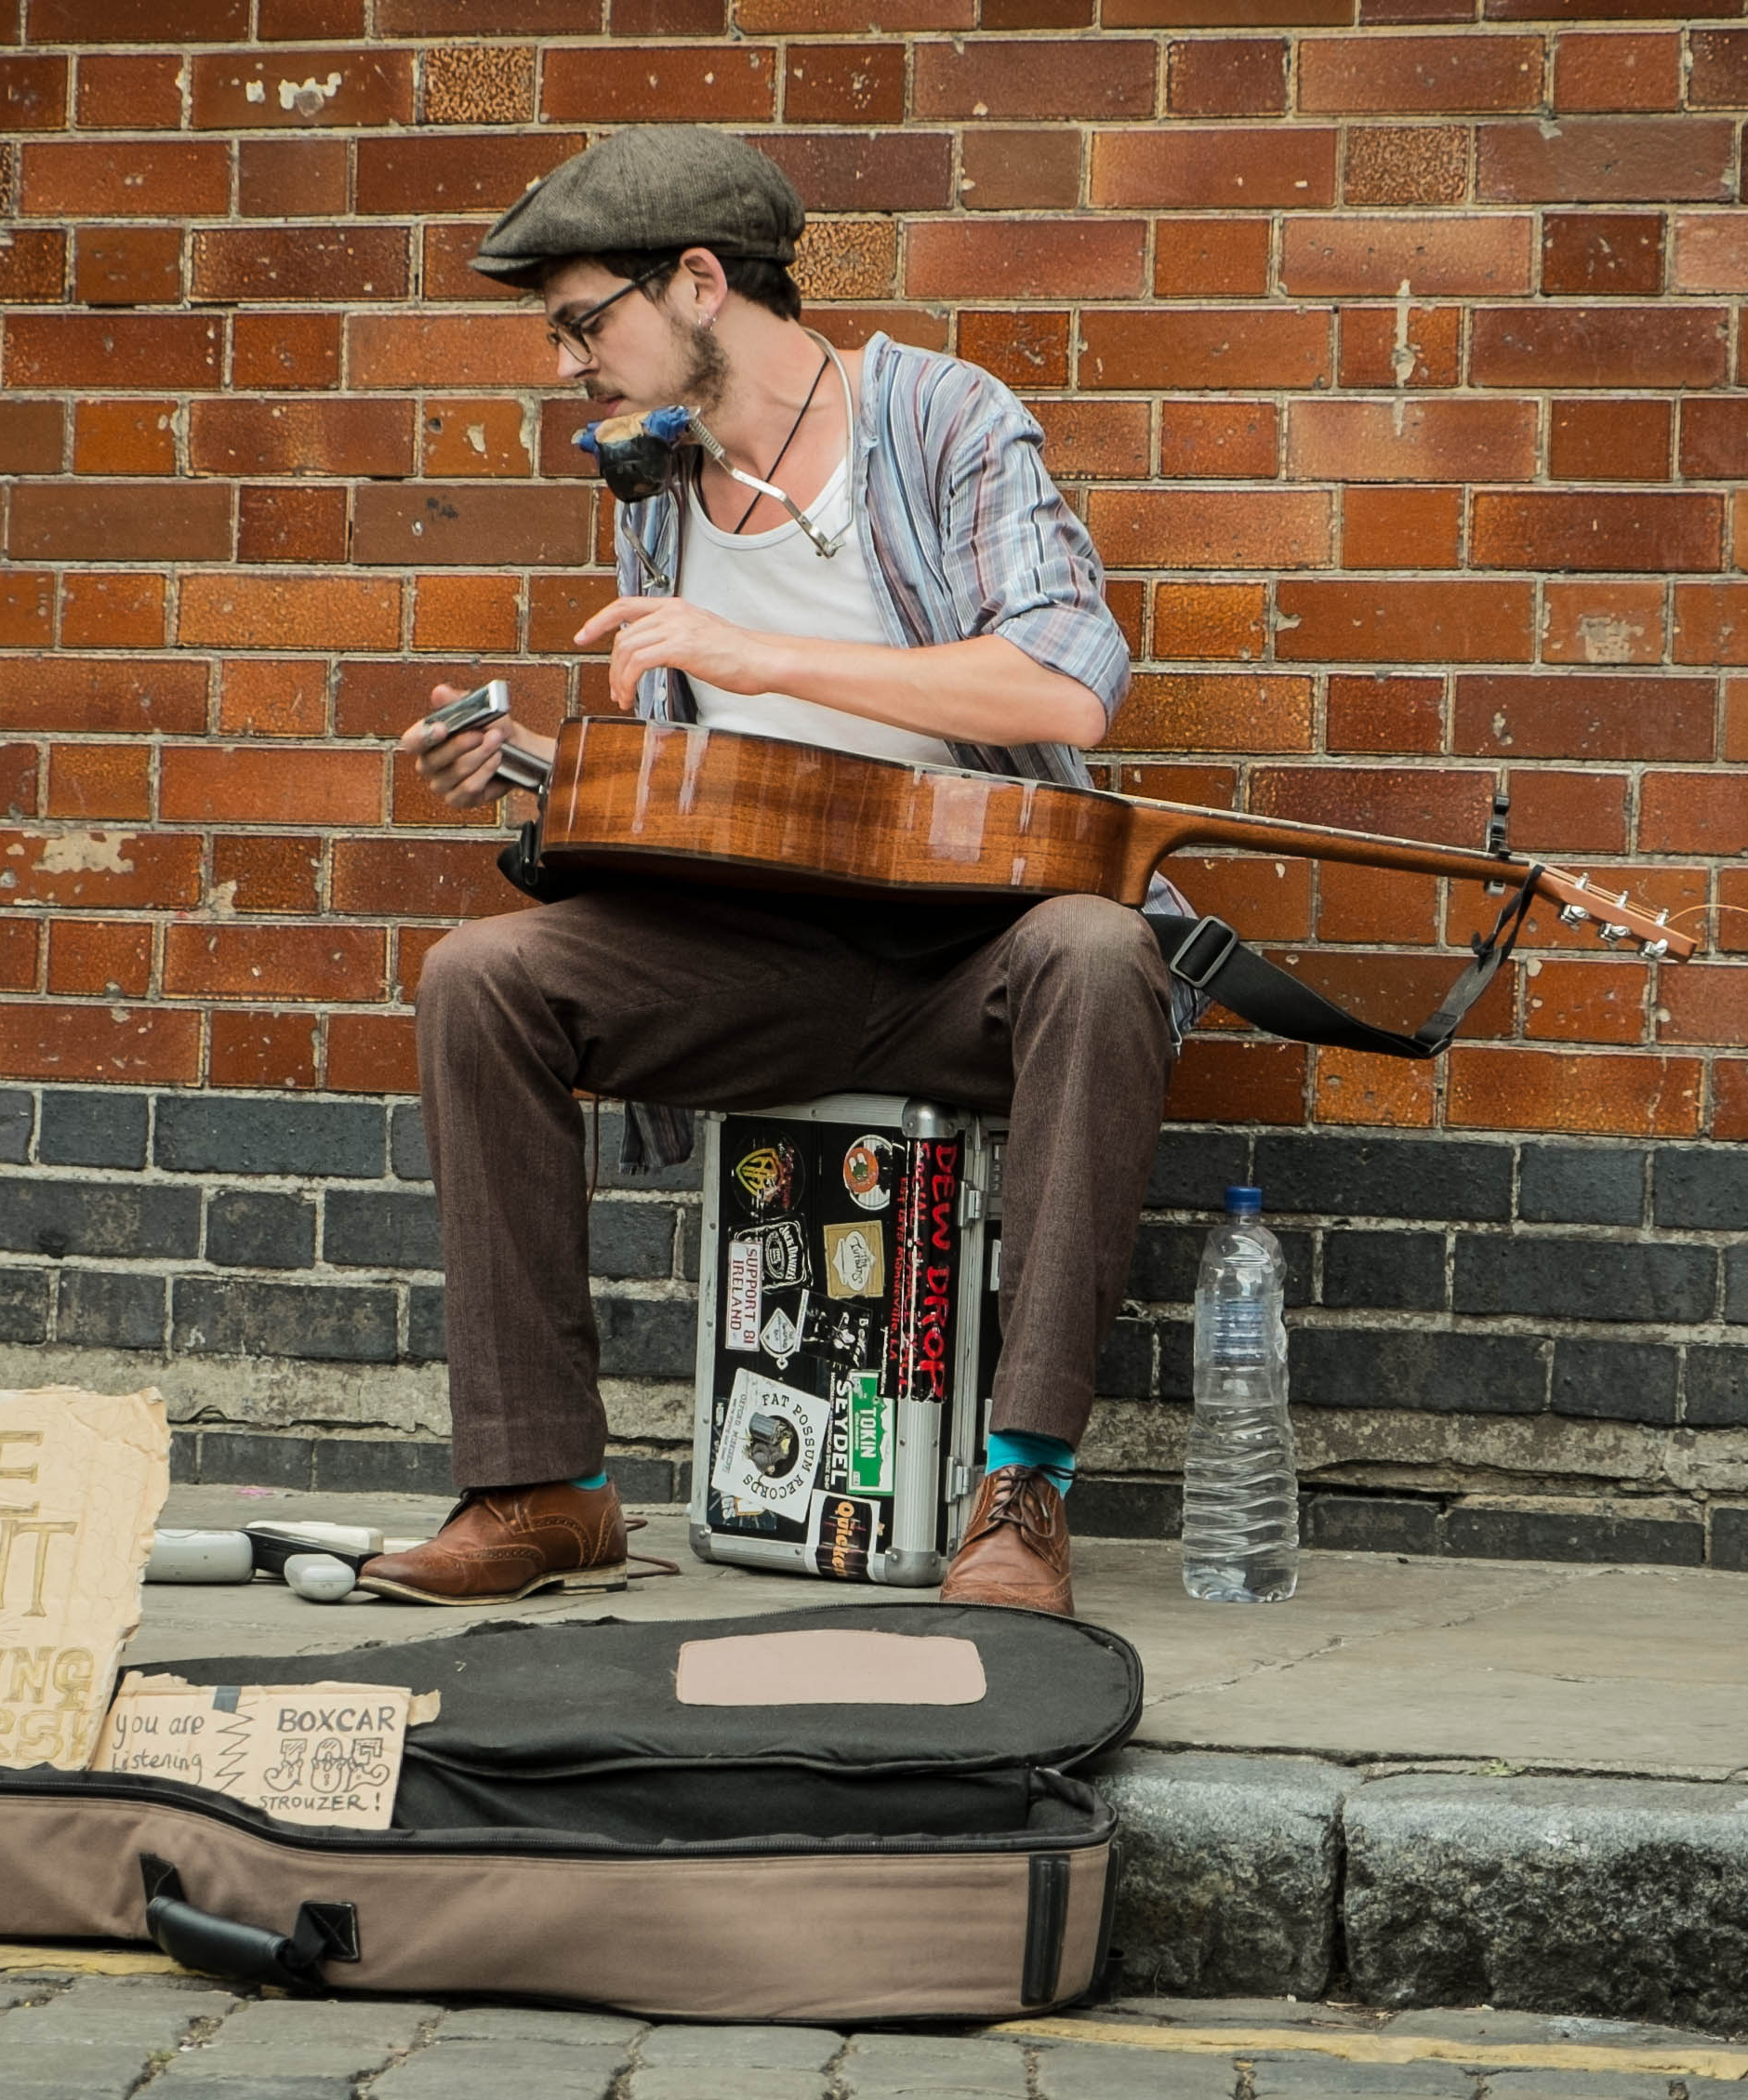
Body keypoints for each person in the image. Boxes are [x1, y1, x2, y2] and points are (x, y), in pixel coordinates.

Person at [363, 126, 1192, 1619]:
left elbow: (1068, 686)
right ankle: (546, 1483)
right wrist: (543, 765)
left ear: (697, 282)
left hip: (973, 954)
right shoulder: (655, 486)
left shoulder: (937, 417)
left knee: (1100, 950)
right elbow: (720, 794)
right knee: (480, 978)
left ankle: (1022, 1488)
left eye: (583, 323)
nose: (567, 364)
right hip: (767, 954)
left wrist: (758, 651)